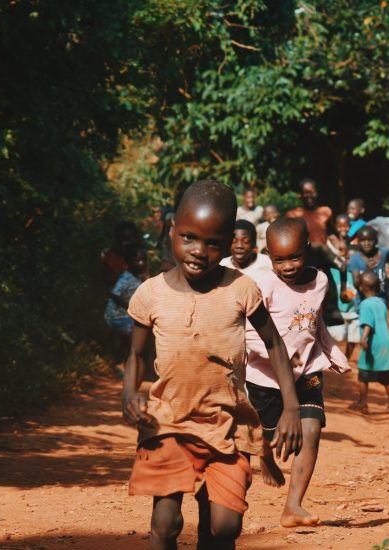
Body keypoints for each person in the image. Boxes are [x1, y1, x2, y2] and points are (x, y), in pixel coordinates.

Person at [121, 180, 303, 550]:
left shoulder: (240, 289)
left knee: (223, 527)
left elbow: (274, 343)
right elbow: (137, 355)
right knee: (166, 523)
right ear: (172, 230)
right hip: (168, 420)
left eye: (213, 243)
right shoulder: (150, 294)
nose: (199, 251)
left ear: (227, 243)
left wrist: (291, 406)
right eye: (188, 237)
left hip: (227, 423)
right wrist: (129, 392)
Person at [245, 217, 350, 528]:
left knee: (311, 429)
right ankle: (264, 451)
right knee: (276, 436)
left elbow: (314, 323)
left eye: (294, 257)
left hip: (309, 369)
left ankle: (293, 506)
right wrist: (278, 356)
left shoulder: (320, 281)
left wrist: (332, 352)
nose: (288, 266)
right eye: (279, 259)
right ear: (267, 255)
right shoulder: (262, 285)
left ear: (306, 248)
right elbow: (248, 333)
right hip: (265, 376)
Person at [351, 271, 389, 414]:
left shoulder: (365, 304)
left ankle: (363, 403)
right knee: (386, 376)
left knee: (363, 374)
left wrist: (363, 338)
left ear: (360, 288)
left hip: (372, 343)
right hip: (386, 344)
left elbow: (368, 324)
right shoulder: (382, 303)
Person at [348, 225, 389, 306]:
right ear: (358, 242)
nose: (367, 243)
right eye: (363, 240)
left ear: (376, 241)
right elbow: (356, 284)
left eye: (370, 240)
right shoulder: (355, 259)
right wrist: (367, 270)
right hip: (363, 302)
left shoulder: (383, 253)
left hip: (382, 299)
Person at [326, 214, 359, 359]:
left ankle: (346, 357)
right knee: (335, 334)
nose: (343, 228)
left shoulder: (354, 243)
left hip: (353, 306)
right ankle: (331, 357)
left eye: (346, 225)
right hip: (336, 305)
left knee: (353, 335)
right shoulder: (329, 244)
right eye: (339, 226)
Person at [104, 245, 147, 337]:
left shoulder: (138, 277)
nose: (141, 263)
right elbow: (115, 295)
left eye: (143, 260)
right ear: (129, 263)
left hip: (126, 316)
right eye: (137, 260)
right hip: (117, 317)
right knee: (144, 329)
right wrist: (130, 307)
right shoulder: (126, 278)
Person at [286, 179, 333, 246]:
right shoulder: (293, 215)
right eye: (305, 193)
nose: (309, 196)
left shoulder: (326, 212)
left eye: (311, 192)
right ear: (300, 195)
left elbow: (331, 233)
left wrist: (340, 244)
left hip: (322, 255)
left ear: (316, 193)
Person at [101, 221, 145, 287]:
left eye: (128, 239)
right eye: (122, 239)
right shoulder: (109, 255)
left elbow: (143, 276)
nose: (124, 244)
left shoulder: (138, 254)